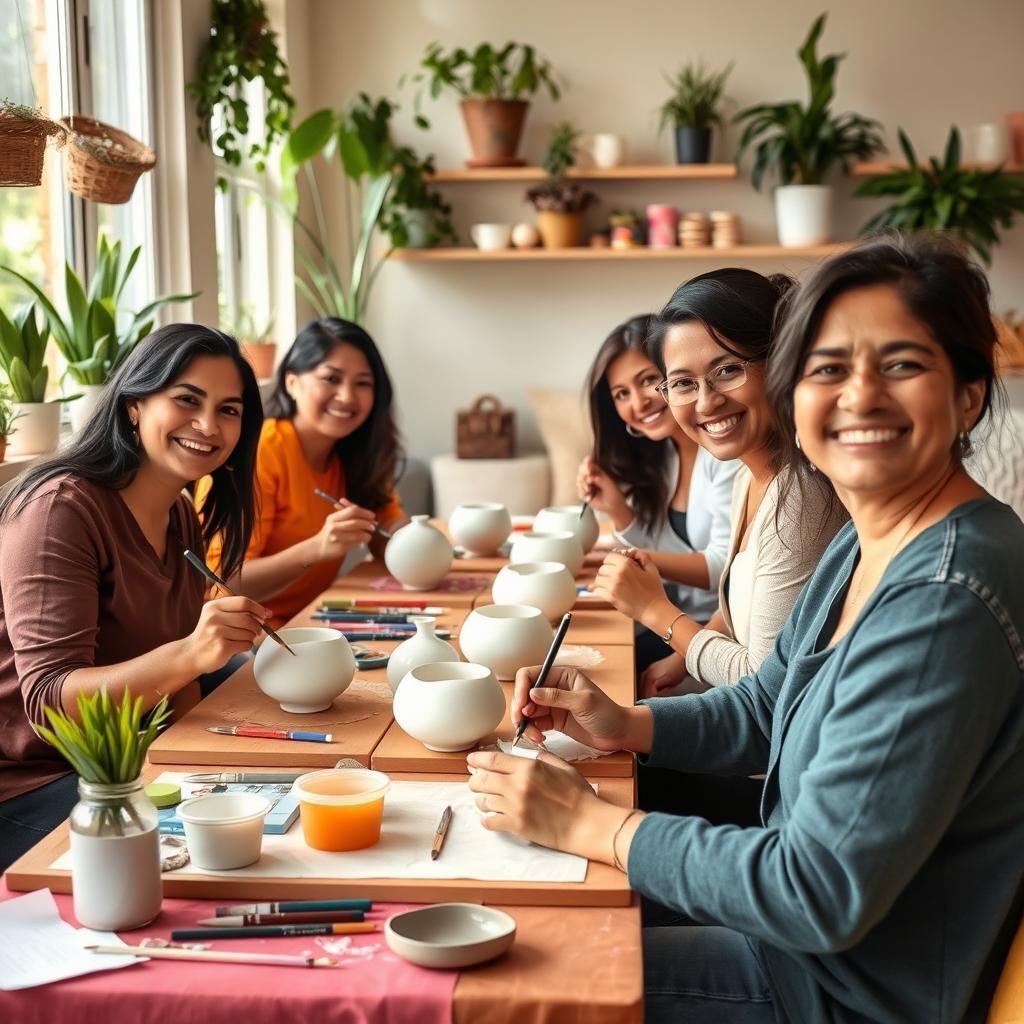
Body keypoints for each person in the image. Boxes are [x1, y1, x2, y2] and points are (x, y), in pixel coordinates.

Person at [466, 233, 1024, 1023]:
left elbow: (816, 892)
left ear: (968, 394)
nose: (858, 396)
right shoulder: (871, 540)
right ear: (797, 392)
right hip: (802, 947)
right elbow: (769, 704)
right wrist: (621, 723)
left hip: (835, 991)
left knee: (508, 987)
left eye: (900, 364)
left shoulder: (943, 597)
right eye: (828, 368)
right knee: (515, 914)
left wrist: (593, 822)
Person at [0, 324, 268, 872]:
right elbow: (51, 702)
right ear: (133, 406)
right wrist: (195, 652)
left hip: (122, 754)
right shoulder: (60, 510)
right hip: (36, 781)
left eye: (229, 410)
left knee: (260, 804)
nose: (208, 425)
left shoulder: (179, 513)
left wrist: (200, 771)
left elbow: (180, 681)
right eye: (187, 400)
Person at [593, 270, 845, 698]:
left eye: (728, 370)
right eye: (684, 384)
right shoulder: (749, 474)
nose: (707, 402)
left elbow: (766, 690)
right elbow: (737, 604)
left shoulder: (799, 497)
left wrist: (657, 613)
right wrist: (680, 657)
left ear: (781, 362)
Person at [199, 317, 409, 629]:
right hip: (245, 635)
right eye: (331, 378)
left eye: (363, 383)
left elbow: (388, 533)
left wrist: (409, 535)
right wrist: (317, 548)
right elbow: (219, 584)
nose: (348, 396)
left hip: (310, 624)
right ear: (292, 382)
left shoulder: (353, 453)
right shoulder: (263, 450)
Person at [578, 314, 738, 679]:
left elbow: (720, 569)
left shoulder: (725, 454)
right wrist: (618, 511)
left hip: (711, 633)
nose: (638, 404)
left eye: (648, 381)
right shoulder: (665, 455)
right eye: (621, 394)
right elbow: (676, 556)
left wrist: (636, 558)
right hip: (676, 617)